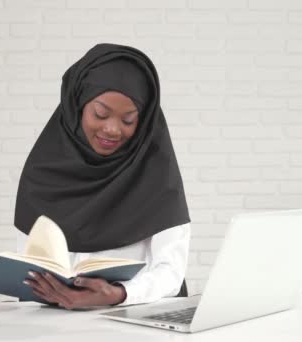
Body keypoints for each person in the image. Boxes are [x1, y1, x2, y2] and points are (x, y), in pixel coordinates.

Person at [13, 43, 191, 309]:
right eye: (100, 114)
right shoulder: (43, 172)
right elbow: (32, 266)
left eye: (129, 120)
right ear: (78, 105)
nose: (112, 129)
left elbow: (171, 274)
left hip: (135, 326)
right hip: (54, 327)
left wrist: (120, 294)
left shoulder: (157, 175)